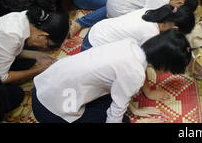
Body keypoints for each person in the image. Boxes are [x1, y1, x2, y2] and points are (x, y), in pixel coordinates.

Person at [32, 30, 192, 123]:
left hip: (44, 85)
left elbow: (117, 84)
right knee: (122, 120)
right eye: (170, 69)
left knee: (116, 103)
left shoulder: (130, 44)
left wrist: (134, 108)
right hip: (50, 108)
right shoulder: (134, 72)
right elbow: (115, 114)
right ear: (164, 62)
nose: (166, 73)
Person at [80, 4, 195, 100]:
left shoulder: (151, 13)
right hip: (92, 48)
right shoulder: (150, 33)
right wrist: (149, 92)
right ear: (175, 30)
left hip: (96, 31)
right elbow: (141, 63)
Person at [0, 6, 69, 113]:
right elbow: (2, 77)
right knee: (15, 94)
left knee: (28, 61)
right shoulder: (12, 35)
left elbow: (12, 50)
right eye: (48, 45)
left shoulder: (26, 20)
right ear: (43, 35)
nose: (45, 48)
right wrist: (38, 71)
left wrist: (37, 55)